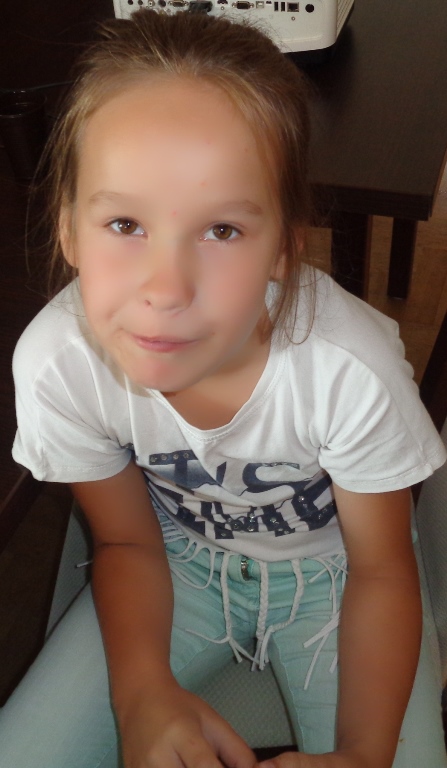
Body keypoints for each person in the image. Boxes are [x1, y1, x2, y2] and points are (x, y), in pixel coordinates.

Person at [1, 8, 446, 768]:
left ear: (284, 247)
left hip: (341, 573)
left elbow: (380, 567)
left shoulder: (350, 371)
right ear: (68, 227)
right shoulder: (56, 365)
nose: (166, 289)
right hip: (175, 557)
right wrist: (141, 694)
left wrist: (364, 754)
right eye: (124, 224)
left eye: (222, 231)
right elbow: (125, 538)